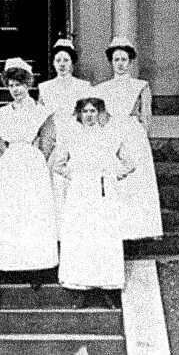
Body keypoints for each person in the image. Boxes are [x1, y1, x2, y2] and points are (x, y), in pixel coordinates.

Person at [53, 97, 132, 297]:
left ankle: (107, 285)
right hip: (80, 193)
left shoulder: (110, 136)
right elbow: (57, 164)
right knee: (81, 236)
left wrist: (113, 176)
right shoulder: (70, 136)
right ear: (79, 114)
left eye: (93, 111)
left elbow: (129, 162)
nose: (89, 115)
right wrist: (76, 177)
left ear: (100, 113)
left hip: (103, 192)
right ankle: (80, 285)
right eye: (85, 111)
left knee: (103, 236)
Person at [0, 58, 58, 274]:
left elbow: (48, 142)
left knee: (32, 209)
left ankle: (36, 264)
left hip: (32, 163)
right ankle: (10, 262)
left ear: (28, 84)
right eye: (11, 85)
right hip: (9, 163)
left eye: (19, 84)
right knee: (10, 210)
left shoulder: (42, 111)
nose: (15, 89)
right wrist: (4, 160)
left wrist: (35, 159)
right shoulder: (0, 113)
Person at [93, 36, 163, 240]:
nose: (120, 64)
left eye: (124, 59)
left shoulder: (140, 86)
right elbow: (101, 117)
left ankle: (139, 228)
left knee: (136, 179)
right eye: (116, 60)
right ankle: (115, 227)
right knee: (115, 178)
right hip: (112, 133)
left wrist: (140, 137)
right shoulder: (101, 89)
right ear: (111, 62)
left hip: (133, 134)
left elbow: (145, 116)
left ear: (130, 61)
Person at [37, 38, 93, 233]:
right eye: (58, 60)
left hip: (76, 136)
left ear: (72, 63)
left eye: (66, 60)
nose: (62, 64)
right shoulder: (45, 88)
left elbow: (88, 116)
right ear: (53, 63)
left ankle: (78, 230)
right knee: (54, 184)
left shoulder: (84, 87)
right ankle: (57, 233)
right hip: (54, 138)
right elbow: (42, 119)